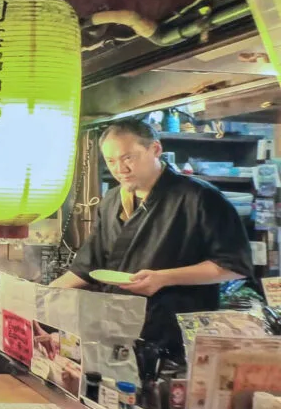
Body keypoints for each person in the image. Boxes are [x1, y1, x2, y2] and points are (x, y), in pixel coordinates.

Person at [50, 119, 254, 359]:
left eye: (128, 158)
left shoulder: (200, 197)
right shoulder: (112, 199)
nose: (120, 169)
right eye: (111, 161)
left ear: (155, 149)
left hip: (174, 336)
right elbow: (88, 266)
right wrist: (40, 299)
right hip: (117, 330)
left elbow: (233, 267)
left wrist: (164, 278)